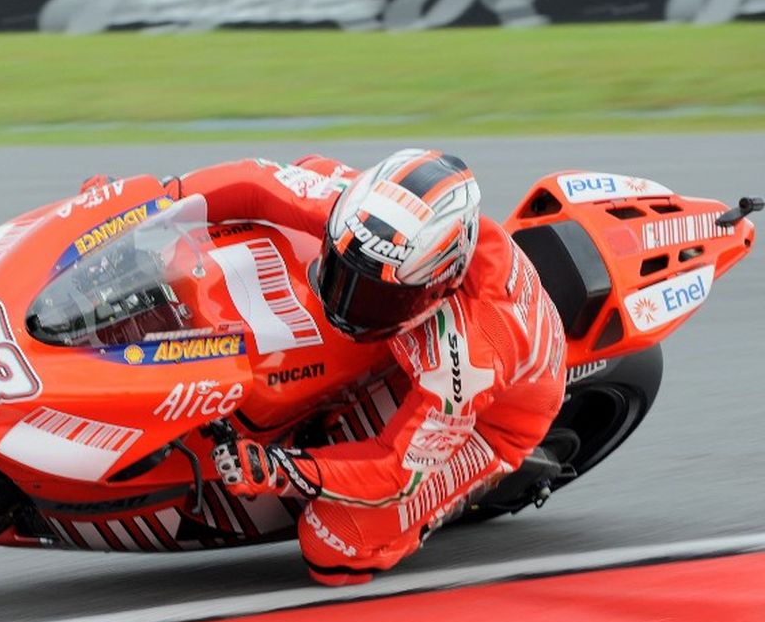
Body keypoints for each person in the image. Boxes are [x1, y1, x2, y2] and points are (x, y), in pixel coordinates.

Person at [173, 149, 568, 586]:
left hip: (488, 424)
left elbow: (394, 470)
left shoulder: (466, 358)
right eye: (345, 277)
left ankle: (448, 501)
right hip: (420, 342)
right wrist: (160, 202)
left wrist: (285, 469)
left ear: (441, 283)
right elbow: (255, 183)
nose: (348, 306)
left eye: (379, 298)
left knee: (331, 545)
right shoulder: (367, 220)